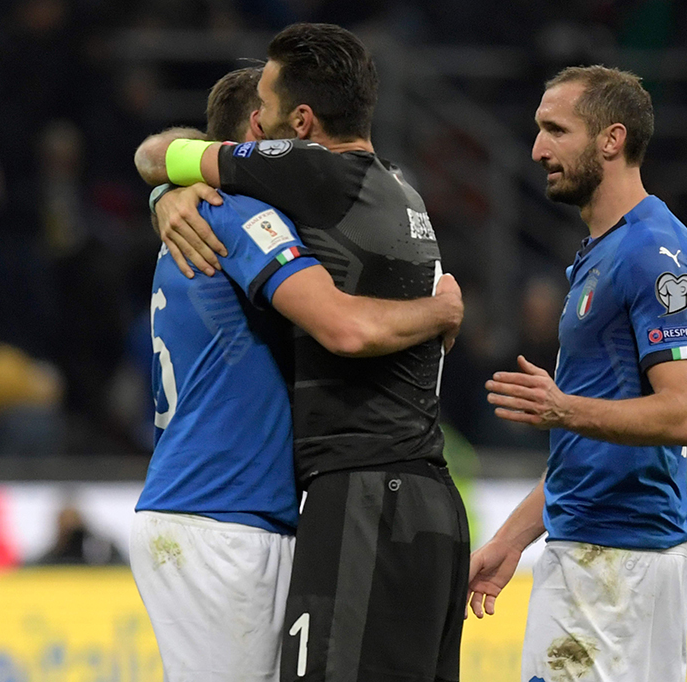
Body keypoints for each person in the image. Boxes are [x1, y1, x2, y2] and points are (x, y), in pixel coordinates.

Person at [133, 24, 470, 682]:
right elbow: (341, 324)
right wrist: (441, 311)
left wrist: (161, 193)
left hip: (221, 505)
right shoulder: (234, 215)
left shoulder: (214, 214)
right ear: (250, 147)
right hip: (224, 514)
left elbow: (155, 158)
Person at [467, 66, 687, 682]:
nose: (537, 149)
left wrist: (562, 408)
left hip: (616, 563)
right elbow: (591, 447)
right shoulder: (604, 251)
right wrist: (512, 538)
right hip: (603, 551)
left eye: (556, 130)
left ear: (611, 139)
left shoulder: (653, 252)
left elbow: (682, 414)